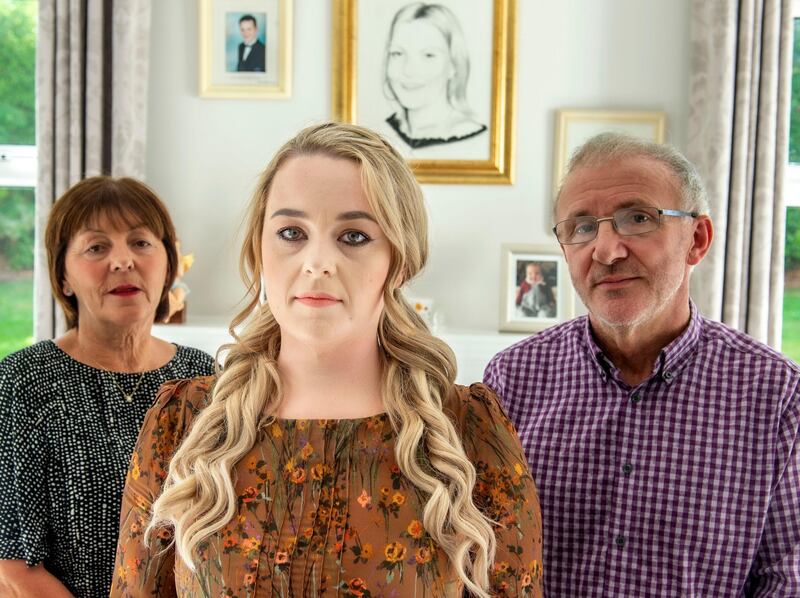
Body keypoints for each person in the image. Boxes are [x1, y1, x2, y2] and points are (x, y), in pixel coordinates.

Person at [111, 123, 543, 597]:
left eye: (354, 236)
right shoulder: (183, 424)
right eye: (291, 232)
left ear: (398, 259)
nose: (317, 261)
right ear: (259, 249)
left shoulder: (469, 433)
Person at [484, 132, 800, 596]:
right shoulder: (512, 380)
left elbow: (786, 581)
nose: (607, 251)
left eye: (637, 219)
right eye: (582, 227)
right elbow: (478, 555)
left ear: (697, 239)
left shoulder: (776, 395)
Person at [0, 177, 215, 598]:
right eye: (97, 247)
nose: (123, 261)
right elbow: (13, 566)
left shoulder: (202, 376)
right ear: (63, 277)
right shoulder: (23, 381)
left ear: (169, 264)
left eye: (141, 243)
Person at [383, 3, 486, 149]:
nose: (409, 70)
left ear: (453, 65)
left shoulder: (472, 138)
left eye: (428, 55)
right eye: (397, 53)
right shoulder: (380, 133)